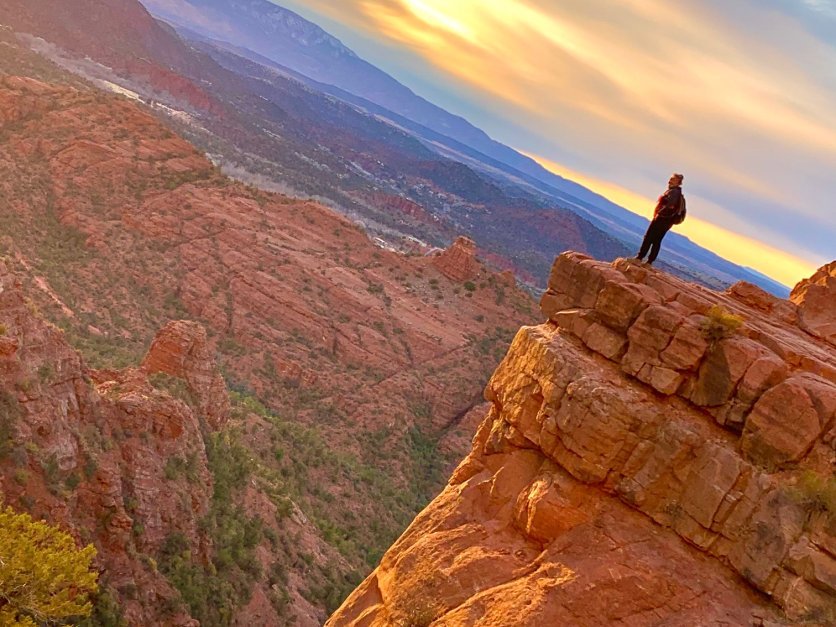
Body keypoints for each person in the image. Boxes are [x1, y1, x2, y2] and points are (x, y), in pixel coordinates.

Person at [635, 173, 686, 266]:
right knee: (656, 241)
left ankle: (639, 258)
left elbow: (670, 206)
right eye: (670, 178)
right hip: (667, 222)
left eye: (672, 179)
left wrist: (659, 214)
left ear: (678, 182)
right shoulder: (676, 192)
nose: (669, 180)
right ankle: (649, 262)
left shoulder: (674, 192)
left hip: (662, 219)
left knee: (648, 238)